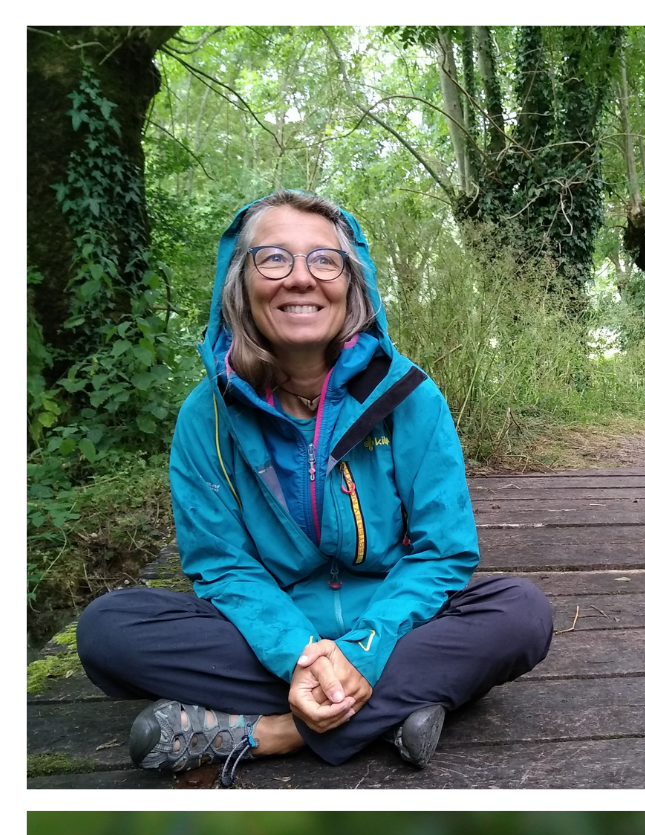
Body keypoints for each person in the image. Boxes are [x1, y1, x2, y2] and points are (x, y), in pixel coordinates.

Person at [74, 191, 552, 785]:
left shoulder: (410, 397)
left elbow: (443, 550)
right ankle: (393, 709)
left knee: (521, 613)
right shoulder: (207, 417)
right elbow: (221, 566)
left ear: (353, 284)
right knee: (108, 630)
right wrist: (299, 653)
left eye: (325, 260)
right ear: (238, 283)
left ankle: (269, 733)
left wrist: (364, 650)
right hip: (267, 634)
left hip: (396, 623)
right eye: (273, 259)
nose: (301, 279)